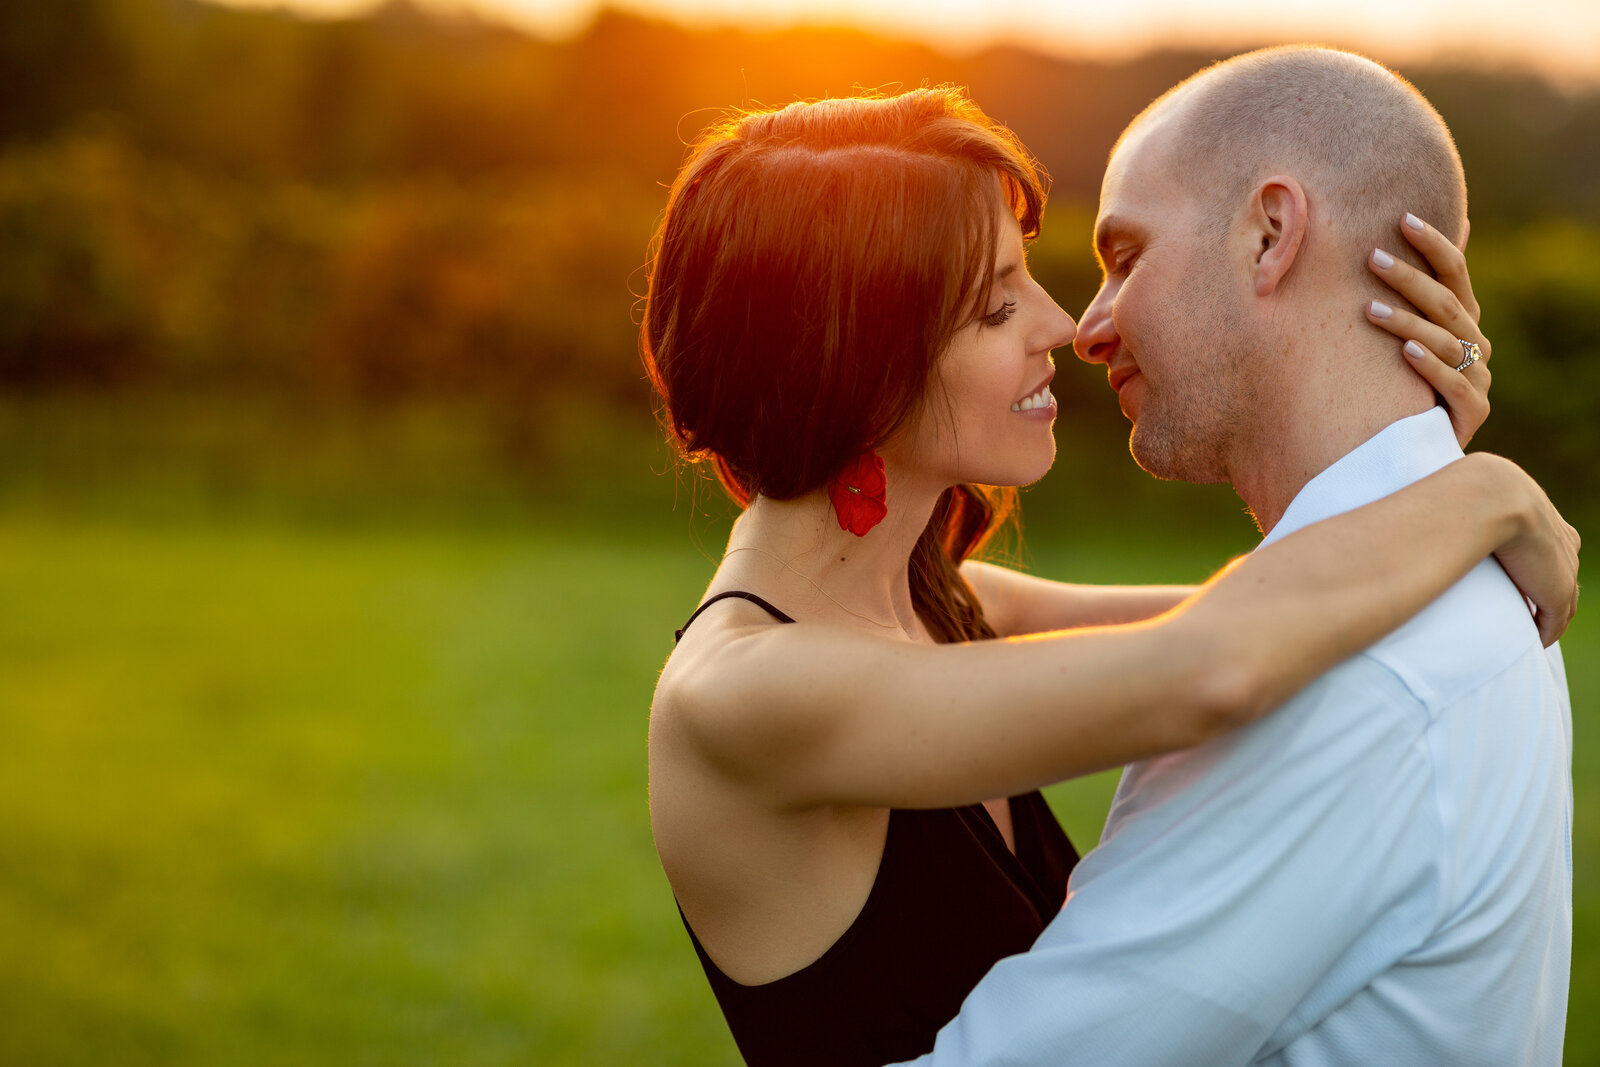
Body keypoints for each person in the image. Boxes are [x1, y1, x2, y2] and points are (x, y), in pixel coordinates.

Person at [641, 86, 1579, 1067]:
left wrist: (1405, 432)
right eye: (996, 303)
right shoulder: (742, 696)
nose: (1060, 324)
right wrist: (1485, 493)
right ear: (857, 355)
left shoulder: (944, 607)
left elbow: (1305, 621)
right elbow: (1213, 661)